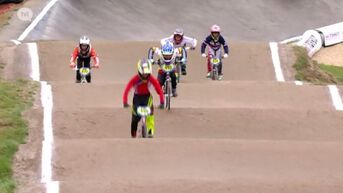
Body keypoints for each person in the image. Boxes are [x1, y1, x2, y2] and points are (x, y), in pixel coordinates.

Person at [123, 59, 164, 138]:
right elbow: (127, 89)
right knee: (135, 117)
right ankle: (133, 134)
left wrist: (162, 101)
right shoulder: (135, 79)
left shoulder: (151, 78)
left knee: (150, 113)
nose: (145, 75)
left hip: (147, 97)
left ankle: (150, 130)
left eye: (147, 73)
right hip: (137, 98)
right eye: (143, 73)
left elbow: (158, 88)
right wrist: (125, 101)